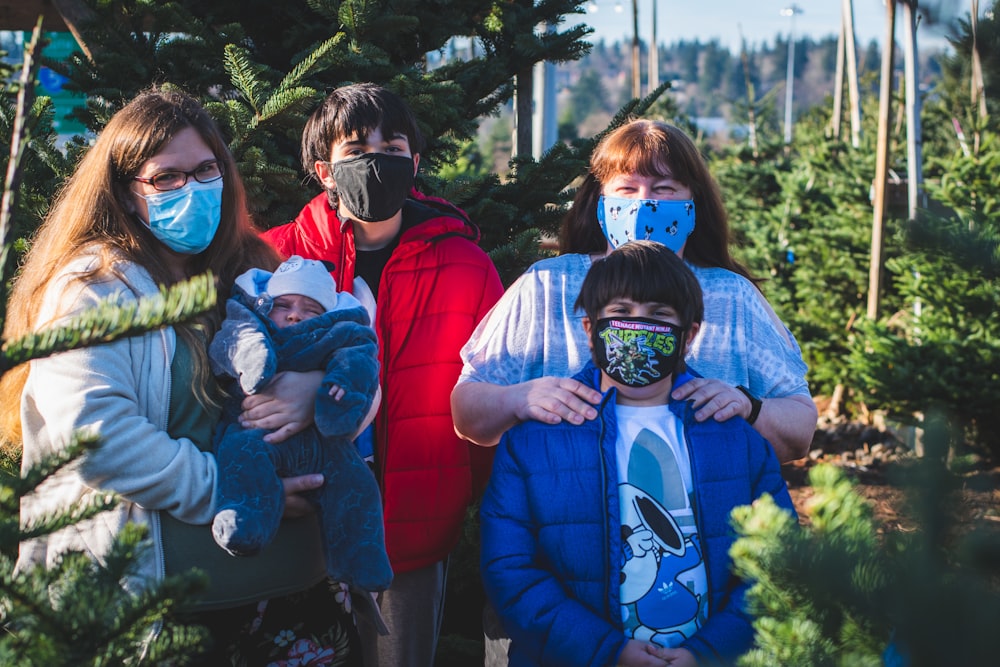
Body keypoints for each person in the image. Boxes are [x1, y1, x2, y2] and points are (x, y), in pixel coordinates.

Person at [1, 89, 364, 666]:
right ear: (125, 191)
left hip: (297, 608)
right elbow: (91, 435)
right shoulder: (93, 289)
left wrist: (315, 391)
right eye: (165, 178)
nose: (191, 190)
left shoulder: (258, 272)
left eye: (204, 170)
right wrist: (235, 489)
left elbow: (356, 357)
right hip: (157, 623)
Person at [258, 82, 504, 667]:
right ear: (323, 169)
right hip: (295, 525)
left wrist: (470, 496)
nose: (376, 159)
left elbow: (490, 386)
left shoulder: (465, 264)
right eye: (355, 148)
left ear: (414, 163)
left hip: (412, 531)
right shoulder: (274, 258)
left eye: (392, 145)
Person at [480, 241, 798, 666]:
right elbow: (511, 572)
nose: (639, 328)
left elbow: (777, 560)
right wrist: (607, 652)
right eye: (622, 313)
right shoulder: (535, 441)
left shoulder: (736, 438)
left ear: (691, 334)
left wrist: (708, 653)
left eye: (660, 315)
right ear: (591, 329)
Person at [452, 119, 817, 465]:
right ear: (601, 205)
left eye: (664, 189)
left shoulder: (733, 297)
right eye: (627, 188)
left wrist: (749, 406)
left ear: (692, 206)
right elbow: (467, 412)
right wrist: (520, 398)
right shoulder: (547, 287)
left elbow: (799, 430)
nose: (644, 203)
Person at [209, 254, 391, 594]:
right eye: (285, 305)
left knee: (357, 484)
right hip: (253, 430)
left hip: (323, 441)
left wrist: (334, 390)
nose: (295, 314)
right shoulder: (249, 320)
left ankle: (361, 559)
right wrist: (254, 359)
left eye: (311, 309)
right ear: (266, 303)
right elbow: (232, 343)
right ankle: (246, 522)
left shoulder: (339, 334)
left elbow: (358, 364)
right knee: (240, 458)